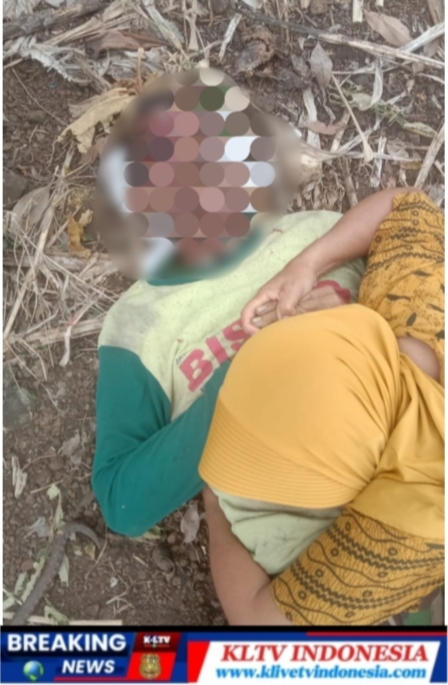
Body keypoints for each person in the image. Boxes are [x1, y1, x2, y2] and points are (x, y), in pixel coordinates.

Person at [91, 67, 364, 537]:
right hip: (316, 523)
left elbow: (408, 243)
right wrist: (244, 377)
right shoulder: (137, 328)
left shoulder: (316, 231)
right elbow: (122, 500)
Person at [199, 188, 444, 625]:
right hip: (267, 465)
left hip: (302, 367)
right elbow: (405, 208)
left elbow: (407, 207)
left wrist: (306, 266)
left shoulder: (409, 532)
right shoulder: (427, 330)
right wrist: (306, 265)